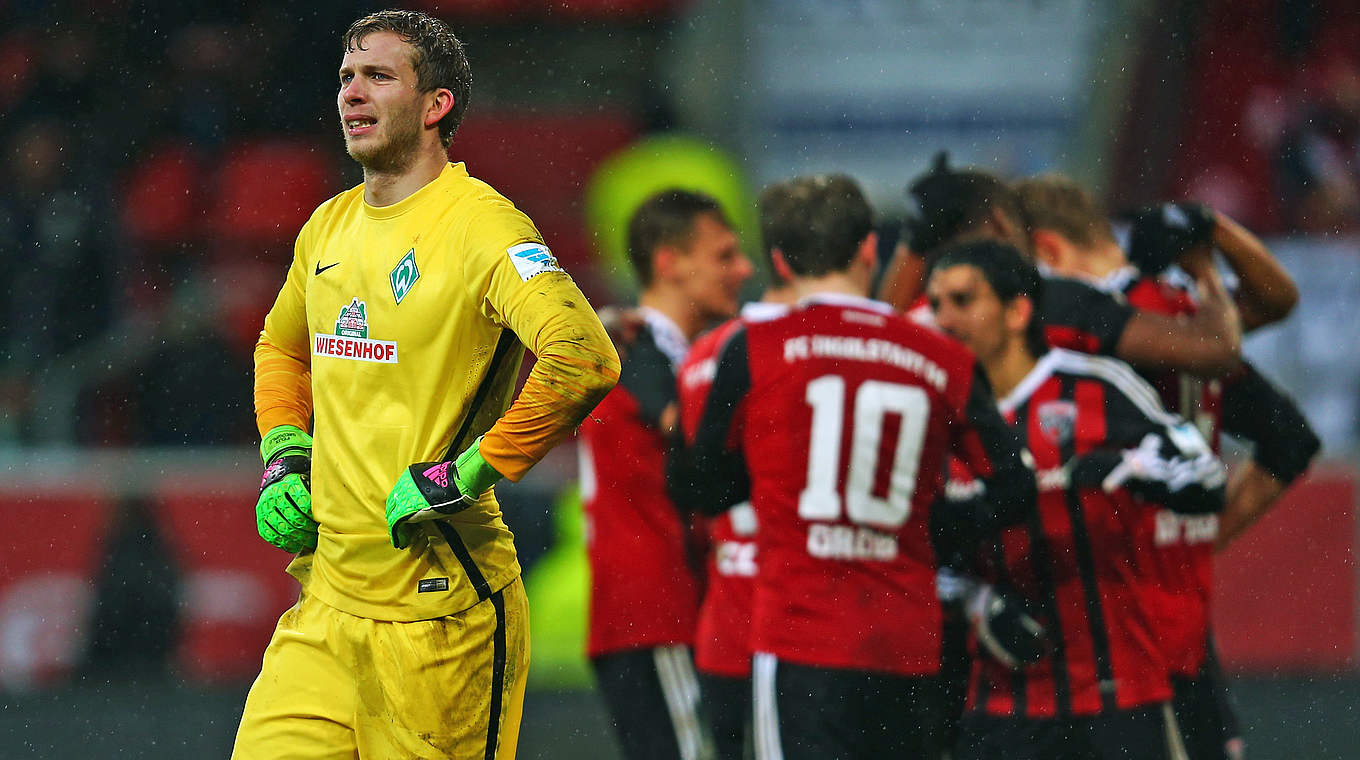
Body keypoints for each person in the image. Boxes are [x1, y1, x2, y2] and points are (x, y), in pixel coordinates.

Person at [233, 10, 621, 759]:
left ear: (437, 104)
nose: (352, 92)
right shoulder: (328, 227)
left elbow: (583, 356)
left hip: (442, 615)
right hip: (325, 608)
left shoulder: (485, 228)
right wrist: (285, 452)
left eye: (378, 76)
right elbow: (280, 348)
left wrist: (469, 472)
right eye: (347, 76)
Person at [671, 175, 1037, 759]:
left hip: (799, 642)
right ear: (870, 248)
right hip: (908, 641)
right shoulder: (940, 355)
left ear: (779, 261)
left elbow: (701, 488)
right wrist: (934, 525)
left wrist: (767, 478)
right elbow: (1015, 488)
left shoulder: (756, 349)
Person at [1014, 175, 1320, 759]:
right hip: (1179, 612)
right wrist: (1210, 239)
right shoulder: (1182, 318)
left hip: (1113, 617)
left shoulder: (1089, 327)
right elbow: (1289, 434)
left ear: (1046, 252)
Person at [927, 240, 1229, 760]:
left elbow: (1204, 473)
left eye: (962, 300)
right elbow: (919, 546)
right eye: (935, 305)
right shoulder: (932, 410)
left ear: (1018, 311)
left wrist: (1131, 468)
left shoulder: (1093, 385)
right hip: (1003, 705)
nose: (944, 319)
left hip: (1118, 692)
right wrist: (975, 604)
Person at [578, 189, 753, 760]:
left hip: (665, 613)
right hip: (658, 612)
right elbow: (687, 434)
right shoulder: (628, 347)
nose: (742, 269)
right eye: (724, 256)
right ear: (669, 263)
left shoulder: (648, 348)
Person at [879, 155, 1243, 377]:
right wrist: (1202, 266)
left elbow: (876, 348)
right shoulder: (1061, 304)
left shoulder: (923, 323)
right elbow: (1217, 349)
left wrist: (911, 246)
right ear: (1002, 224)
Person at [671, 183, 802, 760]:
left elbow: (692, 488)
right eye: (728, 256)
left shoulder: (705, 355)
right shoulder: (825, 353)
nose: (741, 268)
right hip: (806, 624)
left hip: (726, 622)